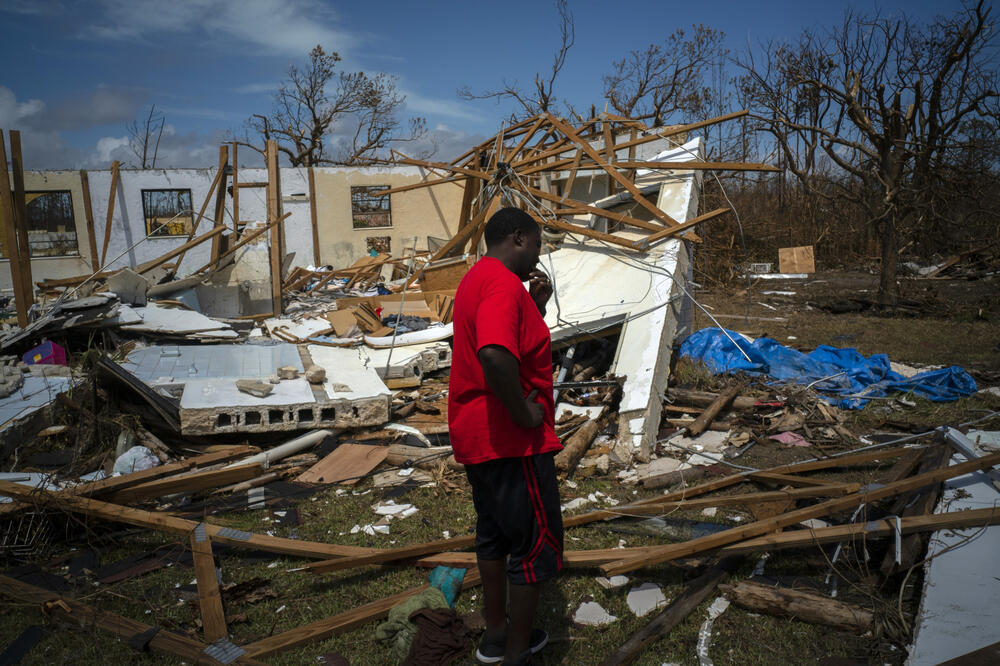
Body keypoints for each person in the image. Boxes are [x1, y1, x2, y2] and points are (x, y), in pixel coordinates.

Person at [448, 207, 564, 665]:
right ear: (518, 238)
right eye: (536, 244)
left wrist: (533, 306)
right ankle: (518, 653)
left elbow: (499, 341)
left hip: (479, 437)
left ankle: (496, 636)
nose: (538, 255)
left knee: (495, 536)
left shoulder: (478, 279)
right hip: (511, 440)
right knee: (533, 544)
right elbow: (496, 355)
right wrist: (525, 414)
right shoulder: (500, 284)